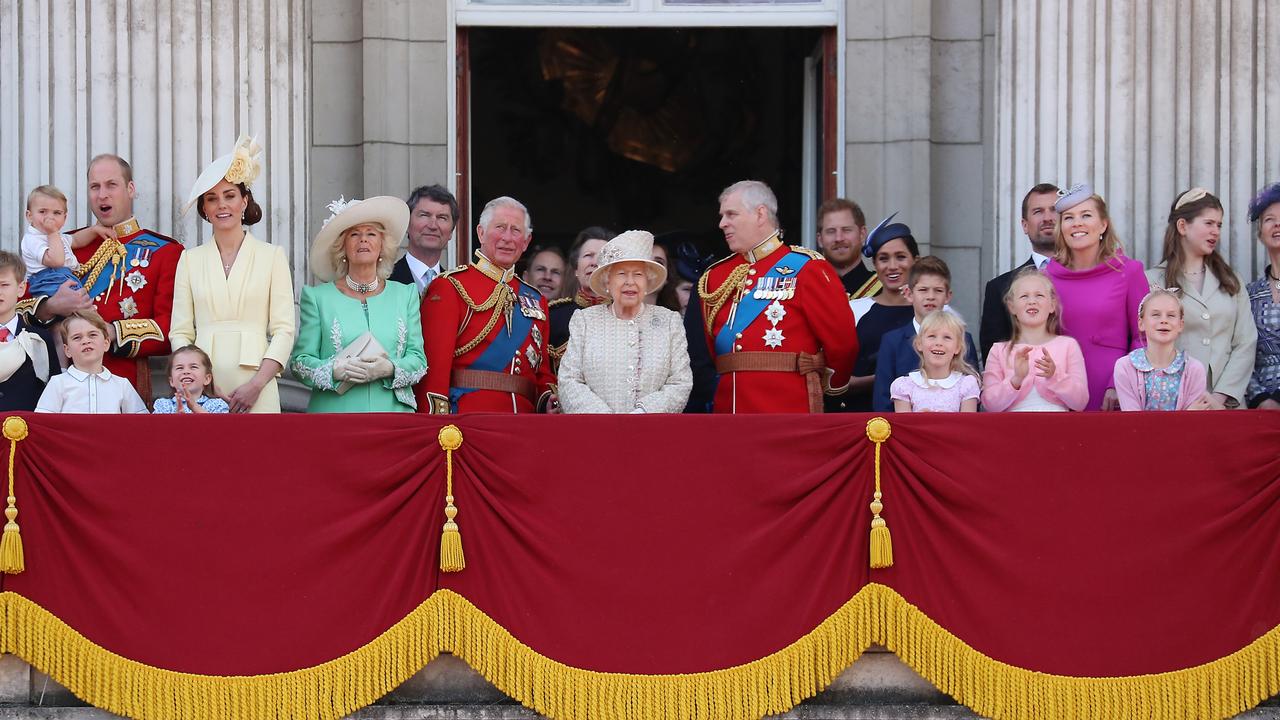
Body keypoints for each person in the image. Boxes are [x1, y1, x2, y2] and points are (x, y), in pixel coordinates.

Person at [27, 154, 182, 401]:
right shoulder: (63, 245)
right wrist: (50, 307)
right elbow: (17, 306)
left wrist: (110, 332)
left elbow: (172, 328)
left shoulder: (165, 252)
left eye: (111, 185)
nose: (102, 195)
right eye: (94, 187)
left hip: (124, 385)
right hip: (62, 388)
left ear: (130, 189)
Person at [699, 180, 857, 413]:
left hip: (787, 409)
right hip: (727, 409)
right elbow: (713, 352)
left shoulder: (807, 268)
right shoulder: (715, 276)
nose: (722, 223)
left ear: (760, 214)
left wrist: (830, 386)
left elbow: (842, 344)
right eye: (722, 216)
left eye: (731, 214)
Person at [170, 134, 295, 413]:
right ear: (204, 208)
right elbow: (180, 331)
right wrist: (195, 380)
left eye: (229, 196)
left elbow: (284, 330)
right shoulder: (189, 260)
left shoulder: (271, 256)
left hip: (257, 384)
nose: (221, 205)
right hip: (202, 386)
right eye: (212, 199)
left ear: (244, 201)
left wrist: (257, 385)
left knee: (259, 456)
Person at [415, 196, 556, 414]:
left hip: (526, 425)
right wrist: (436, 428)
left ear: (526, 241)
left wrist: (548, 399)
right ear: (481, 233)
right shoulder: (450, 286)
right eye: (500, 227)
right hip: (468, 423)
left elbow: (542, 373)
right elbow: (433, 371)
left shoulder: (537, 300)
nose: (507, 238)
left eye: (516, 231)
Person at [290, 196, 427, 413]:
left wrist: (389, 368)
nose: (363, 240)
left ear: (382, 246)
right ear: (343, 247)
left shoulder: (406, 295)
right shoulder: (317, 298)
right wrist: (335, 369)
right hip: (335, 417)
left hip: (394, 416)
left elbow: (418, 361)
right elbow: (300, 364)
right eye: (354, 234)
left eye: (371, 233)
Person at [1145, 188, 1256, 409]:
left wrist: (1221, 396)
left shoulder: (1231, 281)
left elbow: (1246, 341)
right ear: (1183, 226)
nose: (1216, 231)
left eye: (1219, 225)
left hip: (1227, 407)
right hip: (1174, 404)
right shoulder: (1152, 280)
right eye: (1209, 223)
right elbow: (1145, 344)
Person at [558, 231, 691, 413]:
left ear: (647, 281)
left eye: (638, 274)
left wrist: (643, 413)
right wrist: (604, 418)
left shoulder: (669, 322)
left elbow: (680, 382)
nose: (630, 282)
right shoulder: (585, 321)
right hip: (596, 432)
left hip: (652, 432)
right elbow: (569, 379)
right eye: (621, 274)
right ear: (607, 281)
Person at [1044, 184, 1149, 411]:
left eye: (1086, 215)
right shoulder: (1046, 278)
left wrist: (1120, 383)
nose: (1077, 223)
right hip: (1058, 390)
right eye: (1069, 218)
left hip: (1111, 393)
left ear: (1103, 224)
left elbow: (1144, 337)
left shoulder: (1129, 272)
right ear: (1061, 228)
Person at [872, 256, 979, 412]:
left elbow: (973, 398)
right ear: (908, 293)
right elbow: (882, 401)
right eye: (923, 290)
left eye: (938, 290)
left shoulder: (963, 338)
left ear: (948, 296)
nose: (930, 296)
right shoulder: (892, 341)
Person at [836, 213, 919, 412]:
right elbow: (836, 380)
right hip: (858, 419)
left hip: (918, 422)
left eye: (900, 257)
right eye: (883, 259)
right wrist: (885, 376)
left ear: (916, 261)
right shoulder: (854, 310)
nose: (892, 266)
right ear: (875, 265)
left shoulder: (936, 314)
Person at [981, 268, 1089, 412]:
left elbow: (1080, 402)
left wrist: (1055, 376)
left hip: (1057, 428)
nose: (1032, 301)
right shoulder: (998, 350)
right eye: (1024, 296)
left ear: (1052, 305)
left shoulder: (1068, 346)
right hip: (1012, 430)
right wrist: (1016, 379)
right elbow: (990, 405)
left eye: (1039, 295)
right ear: (1011, 306)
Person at [980, 183, 1059, 359]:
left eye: (1054, 210)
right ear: (1024, 225)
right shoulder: (999, 288)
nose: (1047, 218)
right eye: (1038, 211)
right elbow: (992, 359)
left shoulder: (1090, 278)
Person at [1114, 289, 1211, 411]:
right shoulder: (1125, 366)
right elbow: (1133, 420)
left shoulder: (1194, 369)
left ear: (1181, 324)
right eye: (1155, 315)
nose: (1164, 320)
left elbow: (1192, 423)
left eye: (1171, 315)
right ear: (1141, 323)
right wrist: (1185, 414)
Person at [35, 309, 147, 413]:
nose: (86, 341)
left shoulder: (122, 385)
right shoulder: (58, 383)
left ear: (106, 343)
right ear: (67, 350)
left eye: (92, 335)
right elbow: (43, 424)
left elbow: (142, 424)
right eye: (77, 337)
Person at [0, 251, 59, 411]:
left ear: (21, 288)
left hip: (29, 431)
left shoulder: (40, 339)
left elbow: (53, 392)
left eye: (4, 285)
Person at [889, 310, 980, 412]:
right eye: (932, 336)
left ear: (957, 348)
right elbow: (904, 426)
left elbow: (967, 425)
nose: (938, 343)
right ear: (919, 344)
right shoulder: (904, 386)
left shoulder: (966, 385)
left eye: (947, 337)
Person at [549, 226, 612, 370]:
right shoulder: (554, 316)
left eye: (603, 256)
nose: (594, 262)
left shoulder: (628, 316)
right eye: (588, 255)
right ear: (576, 269)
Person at [21, 185, 94, 296]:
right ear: (29, 216)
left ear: (64, 218)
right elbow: (56, 262)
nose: (50, 217)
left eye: (57, 213)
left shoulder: (57, 236)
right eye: (42, 212)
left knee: (83, 306)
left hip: (64, 278)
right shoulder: (32, 239)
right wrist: (52, 233)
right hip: (47, 281)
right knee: (77, 307)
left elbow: (77, 240)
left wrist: (95, 230)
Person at [1246, 182, 1280, 409]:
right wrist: (1260, 398)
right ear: (1260, 234)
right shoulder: (1248, 294)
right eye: (1269, 219)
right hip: (1261, 408)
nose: (1277, 223)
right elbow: (1239, 351)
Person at [390, 184, 458, 296]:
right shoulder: (384, 282)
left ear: (451, 231)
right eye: (424, 215)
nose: (433, 226)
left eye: (442, 218)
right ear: (407, 224)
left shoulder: (457, 288)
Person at [817, 198, 879, 298]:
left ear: (862, 234)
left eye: (846, 230)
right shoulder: (808, 291)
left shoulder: (885, 291)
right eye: (831, 231)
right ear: (820, 239)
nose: (839, 238)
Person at [152, 345, 230, 414]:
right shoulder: (163, 405)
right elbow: (156, 429)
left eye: (193, 367)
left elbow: (218, 428)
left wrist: (194, 407)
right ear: (171, 381)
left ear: (207, 379)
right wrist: (175, 421)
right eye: (180, 368)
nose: (186, 372)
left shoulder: (217, 405)